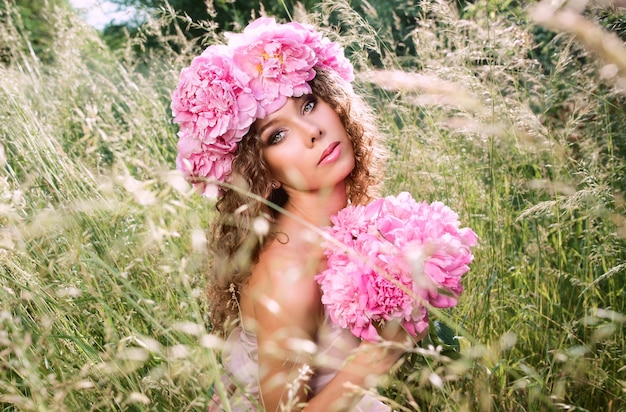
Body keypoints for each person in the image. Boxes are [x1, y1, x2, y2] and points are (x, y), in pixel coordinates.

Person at [170, 16, 428, 411]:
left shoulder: (347, 226)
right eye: (278, 134)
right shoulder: (290, 275)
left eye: (308, 104)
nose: (312, 131)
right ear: (262, 172)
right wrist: (381, 354)